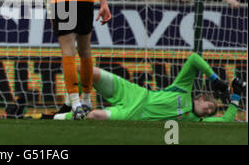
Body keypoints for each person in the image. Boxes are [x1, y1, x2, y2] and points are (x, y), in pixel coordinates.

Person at [35, 53, 244, 122]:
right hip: (135, 92)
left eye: (210, 111)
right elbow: (194, 59)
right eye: (209, 105)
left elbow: (226, 120)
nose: (208, 110)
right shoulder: (183, 89)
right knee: (86, 70)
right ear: (200, 97)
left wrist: (236, 97)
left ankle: (54, 118)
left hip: (134, 113)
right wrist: (214, 78)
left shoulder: (194, 119)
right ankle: (67, 106)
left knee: (93, 117)